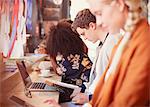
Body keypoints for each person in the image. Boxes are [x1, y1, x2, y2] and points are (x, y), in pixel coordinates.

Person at [81, 0, 149, 106]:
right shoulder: (123, 42)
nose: (98, 22)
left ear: (120, 4)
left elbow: (126, 102)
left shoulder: (145, 43)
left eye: (100, 13)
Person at [71, 9, 122, 104]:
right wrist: (83, 89)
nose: (84, 38)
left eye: (83, 34)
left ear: (92, 26)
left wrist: (90, 98)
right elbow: (98, 77)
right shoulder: (103, 44)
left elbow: (117, 84)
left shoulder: (113, 43)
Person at [46, 20, 92, 103]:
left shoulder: (72, 58)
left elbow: (59, 72)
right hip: (81, 91)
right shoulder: (78, 54)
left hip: (79, 95)